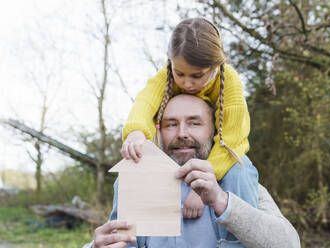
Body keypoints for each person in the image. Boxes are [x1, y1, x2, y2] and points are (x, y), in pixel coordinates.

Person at [89, 95, 300, 248]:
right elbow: (117, 241)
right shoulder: (137, 182)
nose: (182, 133)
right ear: (159, 131)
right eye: (171, 124)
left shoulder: (238, 178)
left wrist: (221, 200)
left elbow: (289, 244)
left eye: (194, 123)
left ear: (214, 131)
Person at [121, 17, 254, 219]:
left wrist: (200, 186)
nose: (187, 83)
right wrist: (136, 132)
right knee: (135, 163)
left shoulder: (230, 83)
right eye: (180, 73)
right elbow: (146, 102)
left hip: (218, 155)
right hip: (176, 154)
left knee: (240, 169)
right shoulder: (165, 76)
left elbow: (232, 140)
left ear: (215, 65)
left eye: (197, 76)